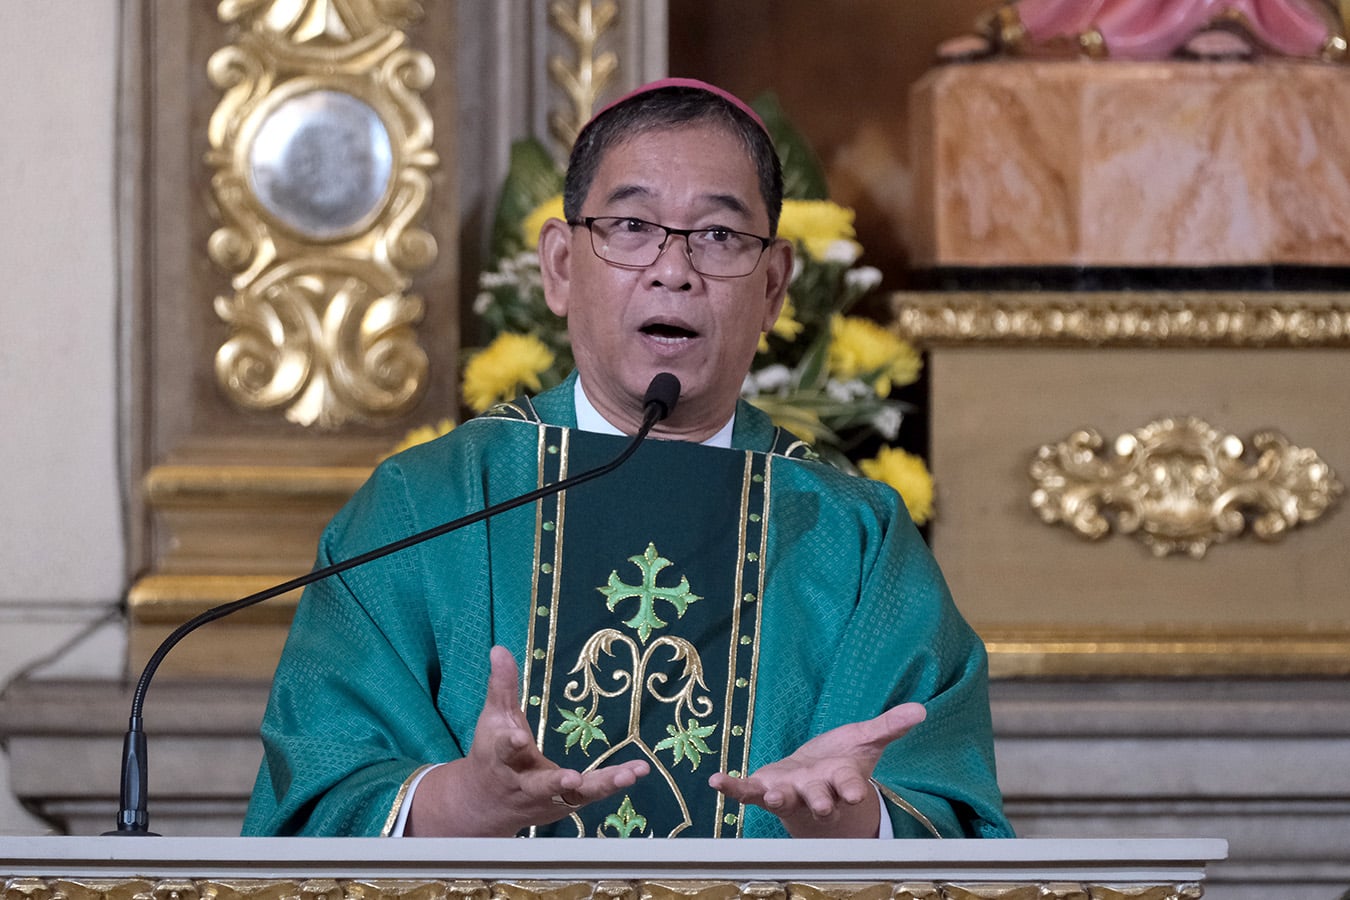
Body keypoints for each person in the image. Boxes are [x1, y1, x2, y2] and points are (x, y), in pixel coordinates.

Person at [243, 78, 1013, 840]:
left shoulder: (852, 539)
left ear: (774, 286)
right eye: (632, 225)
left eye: (718, 236)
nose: (673, 269)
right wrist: (459, 805)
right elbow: (317, 791)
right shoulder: (429, 504)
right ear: (560, 266)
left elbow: (946, 819)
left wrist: (855, 823)